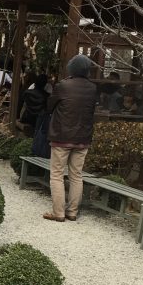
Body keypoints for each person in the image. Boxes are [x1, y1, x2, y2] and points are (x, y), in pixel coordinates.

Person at [44, 54, 98, 222]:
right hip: (83, 137)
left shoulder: (63, 86)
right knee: (76, 175)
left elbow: (49, 106)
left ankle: (58, 213)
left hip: (62, 136)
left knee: (57, 174)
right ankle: (72, 212)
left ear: (71, 68)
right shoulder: (92, 88)